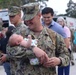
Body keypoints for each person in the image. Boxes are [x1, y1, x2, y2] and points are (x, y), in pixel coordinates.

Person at [1, 3, 70, 75]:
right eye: (26, 19)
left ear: (39, 15)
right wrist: (33, 50)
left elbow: (66, 55)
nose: (28, 21)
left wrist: (59, 61)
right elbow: (9, 52)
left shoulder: (53, 35)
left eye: (31, 18)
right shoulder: (18, 34)